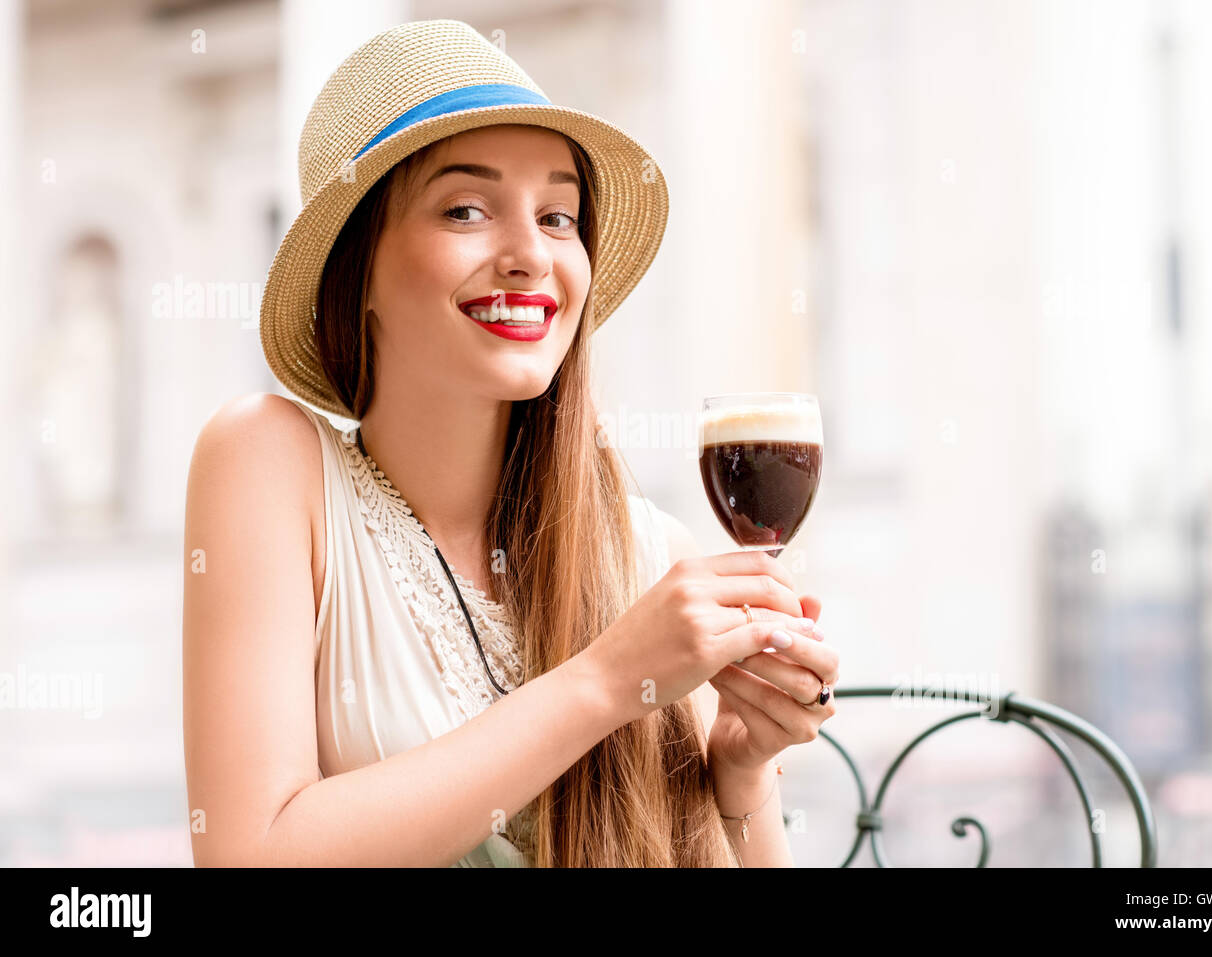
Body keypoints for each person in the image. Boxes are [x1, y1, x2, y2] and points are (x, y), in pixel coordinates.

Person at [182, 19, 838, 868]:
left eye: (559, 216)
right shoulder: (268, 463)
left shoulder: (647, 556)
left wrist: (742, 778)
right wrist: (607, 680)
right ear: (359, 266)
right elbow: (250, 854)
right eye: (466, 208)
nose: (531, 254)